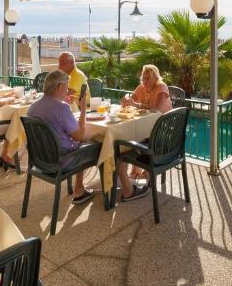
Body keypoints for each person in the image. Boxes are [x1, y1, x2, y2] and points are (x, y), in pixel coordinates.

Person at [28, 70, 147, 204]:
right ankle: (128, 191)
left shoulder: (32, 108)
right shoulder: (61, 108)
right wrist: (83, 108)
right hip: (64, 161)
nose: (68, 90)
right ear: (59, 87)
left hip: (41, 160)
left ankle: (79, 189)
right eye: (67, 86)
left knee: (86, 141)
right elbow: (79, 135)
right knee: (111, 145)